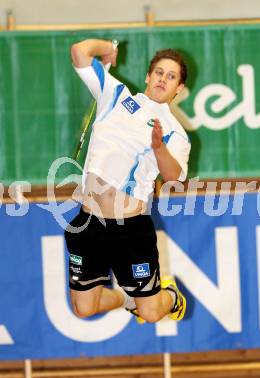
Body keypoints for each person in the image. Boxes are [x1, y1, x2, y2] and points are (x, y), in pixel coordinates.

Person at [64, 38, 191, 324]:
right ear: (148, 76)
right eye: (159, 72)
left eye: (171, 77)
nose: (163, 79)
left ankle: (171, 296)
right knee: (84, 308)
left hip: (130, 231)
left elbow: (173, 177)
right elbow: (79, 51)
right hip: (89, 222)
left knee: (151, 312)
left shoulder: (175, 133)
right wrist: (106, 48)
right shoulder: (115, 94)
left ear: (178, 89)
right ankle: (126, 298)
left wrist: (159, 148)